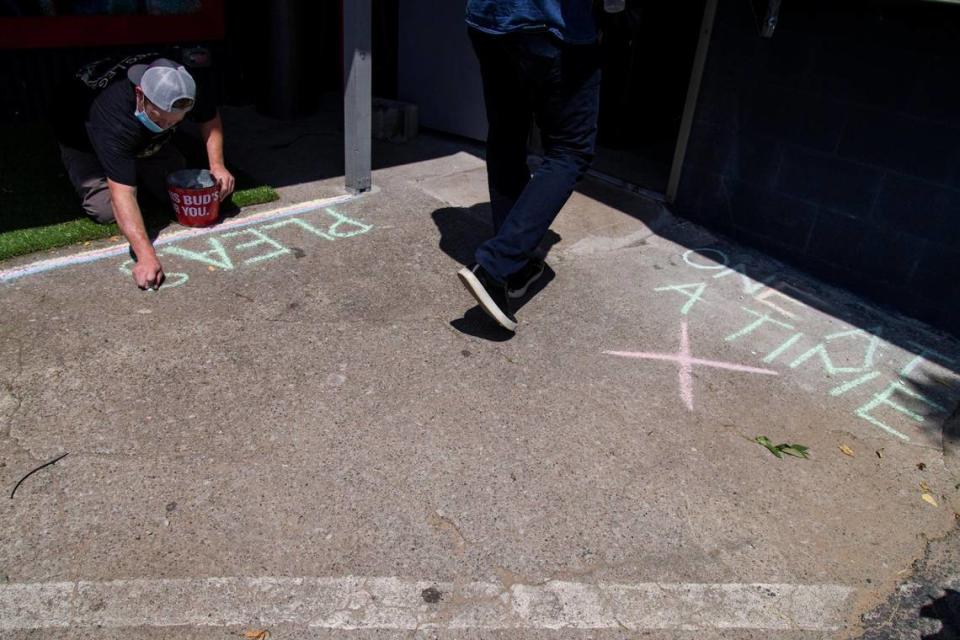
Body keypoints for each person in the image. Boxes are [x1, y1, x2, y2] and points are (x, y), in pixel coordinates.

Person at [458, 0, 601, 332]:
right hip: (550, 26)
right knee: (570, 151)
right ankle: (494, 267)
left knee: (506, 136)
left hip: (488, 20)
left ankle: (515, 266)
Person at [51, 53, 235, 290]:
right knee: (105, 209)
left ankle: (139, 160)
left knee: (183, 191)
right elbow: (122, 194)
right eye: (161, 120)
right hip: (79, 133)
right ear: (140, 94)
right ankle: (116, 165)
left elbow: (209, 119)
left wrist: (217, 165)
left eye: (174, 122)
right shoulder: (112, 118)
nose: (167, 125)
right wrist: (145, 255)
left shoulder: (185, 85)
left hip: (141, 137)